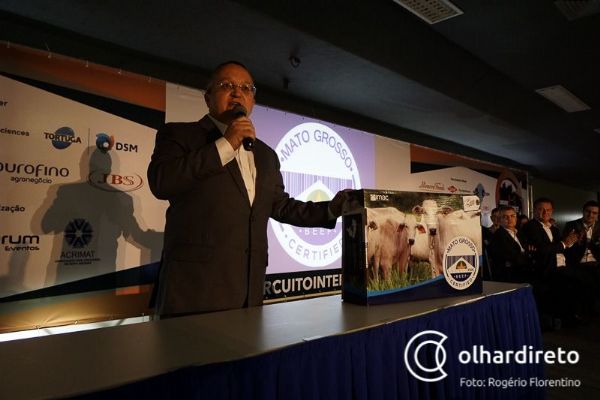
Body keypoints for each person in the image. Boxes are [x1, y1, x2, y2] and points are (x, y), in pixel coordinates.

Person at [148, 61, 348, 318]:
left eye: (246, 88)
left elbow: (280, 206)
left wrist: (331, 209)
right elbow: (162, 182)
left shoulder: (265, 155)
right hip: (194, 293)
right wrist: (226, 143)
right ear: (208, 97)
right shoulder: (179, 134)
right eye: (226, 85)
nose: (237, 92)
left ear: (252, 100)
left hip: (249, 292)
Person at [563, 200, 600, 314]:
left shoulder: (599, 226)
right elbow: (566, 246)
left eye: (594, 213)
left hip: (596, 262)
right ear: (583, 212)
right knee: (583, 283)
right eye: (588, 211)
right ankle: (583, 312)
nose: (591, 215)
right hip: (578, 263)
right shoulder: (572, 225)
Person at [488, 206, 531, 283]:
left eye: (512, 216)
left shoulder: (520, 233)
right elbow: (512, 258)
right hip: (510, 276)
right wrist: (529, 255)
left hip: (526, 272)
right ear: (500, 220)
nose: (509, 219)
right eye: (505, 217)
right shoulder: (498, 236)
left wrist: (526, 254)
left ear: (516, 218)